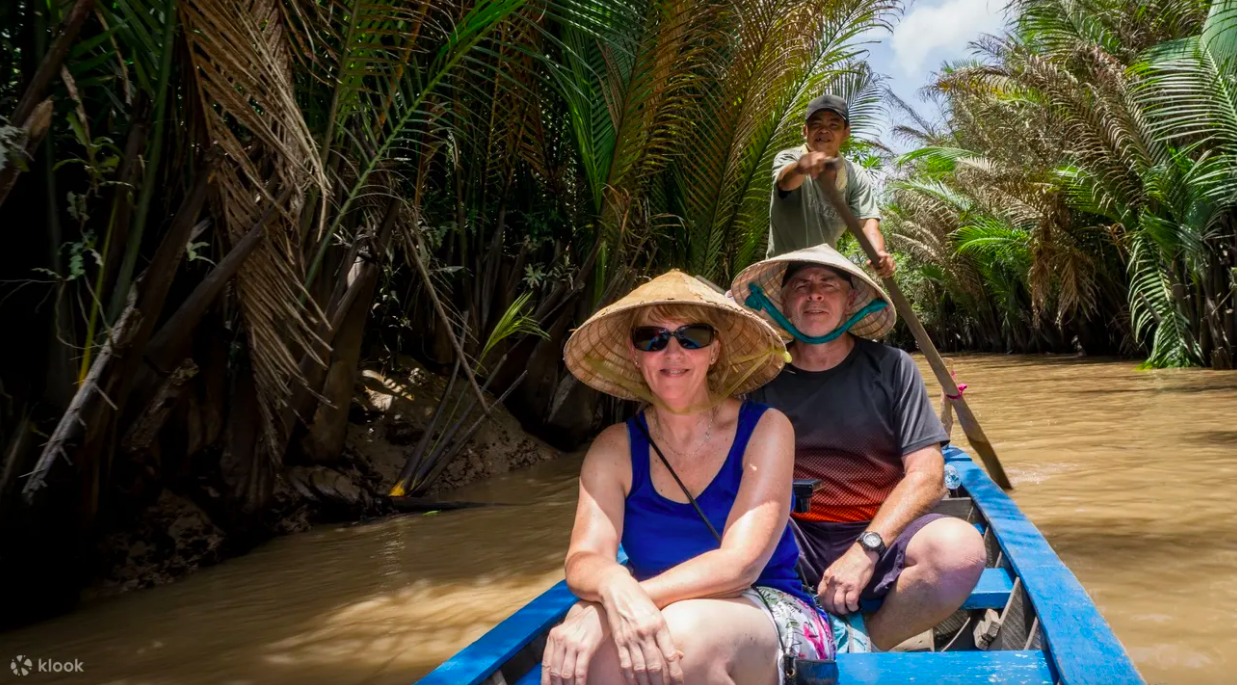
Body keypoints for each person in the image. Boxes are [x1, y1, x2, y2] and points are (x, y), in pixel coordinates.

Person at [544, 270, 835, 685]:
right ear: (635, 352)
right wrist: (610, 587)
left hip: (767, 608)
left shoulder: (767, 429)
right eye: (652, 338)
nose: (672, 351)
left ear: (713, 350)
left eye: (691, 336)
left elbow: (741, 565)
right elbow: (584, 558)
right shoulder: (614, 448)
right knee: (588, 656)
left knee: (682, 640)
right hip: (658, 608)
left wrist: (621, 603)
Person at [731, 244, 985, 651]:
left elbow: (928, 476)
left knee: (961, 550)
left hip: (879, 532)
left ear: (850, 301)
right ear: (783, 302)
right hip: (790, 535)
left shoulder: (892, 366)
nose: (814, 294)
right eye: (802, 286)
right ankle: (787, 630)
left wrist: (865, 549)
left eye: (828, 285)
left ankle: (865, 641)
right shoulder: (760, 378)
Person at [768, 94, 894, 277]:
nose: (824, 131)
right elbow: (784, 182)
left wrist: (879, 255)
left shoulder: (855, 175)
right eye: (816, 124)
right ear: (805, 131)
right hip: (780, 272)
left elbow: (867, 223)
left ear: (845, 133)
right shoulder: (790, 158)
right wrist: (801, 168)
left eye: (834, 125)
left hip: (823, 274)